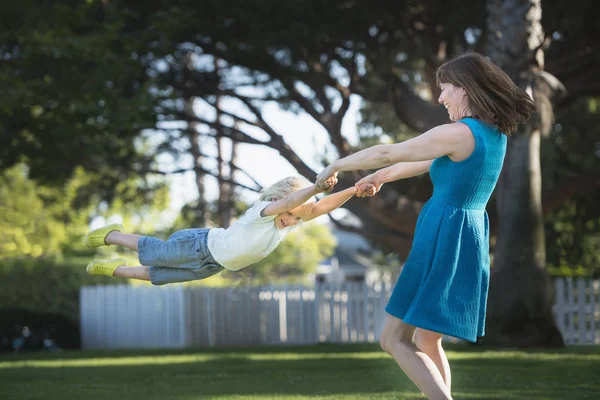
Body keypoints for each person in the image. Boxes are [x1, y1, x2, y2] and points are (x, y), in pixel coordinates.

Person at [316, 52, 536, 400]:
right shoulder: (492, 136)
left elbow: (391, 152)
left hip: (442, 234)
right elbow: (424, 162)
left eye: (446, 88)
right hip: (468, 234)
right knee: (425, 339)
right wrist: (380, 176)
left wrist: (337, 165)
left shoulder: (458, 132)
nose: (440, 97)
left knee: (392, 339)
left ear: (465, 89)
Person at [85, 175, 363, 285]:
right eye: (290, 215)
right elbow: (294, 202)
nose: (291, 221)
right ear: (279, 202)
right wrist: (316, 187)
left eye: (296, 220)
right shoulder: (265, 212)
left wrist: (354, 189)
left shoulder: (287, 223)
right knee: (155, 250)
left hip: (213, 265)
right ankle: (111, 235)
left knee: (158, 275)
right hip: (201, 245)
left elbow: (319, 208)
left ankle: (114, 269)